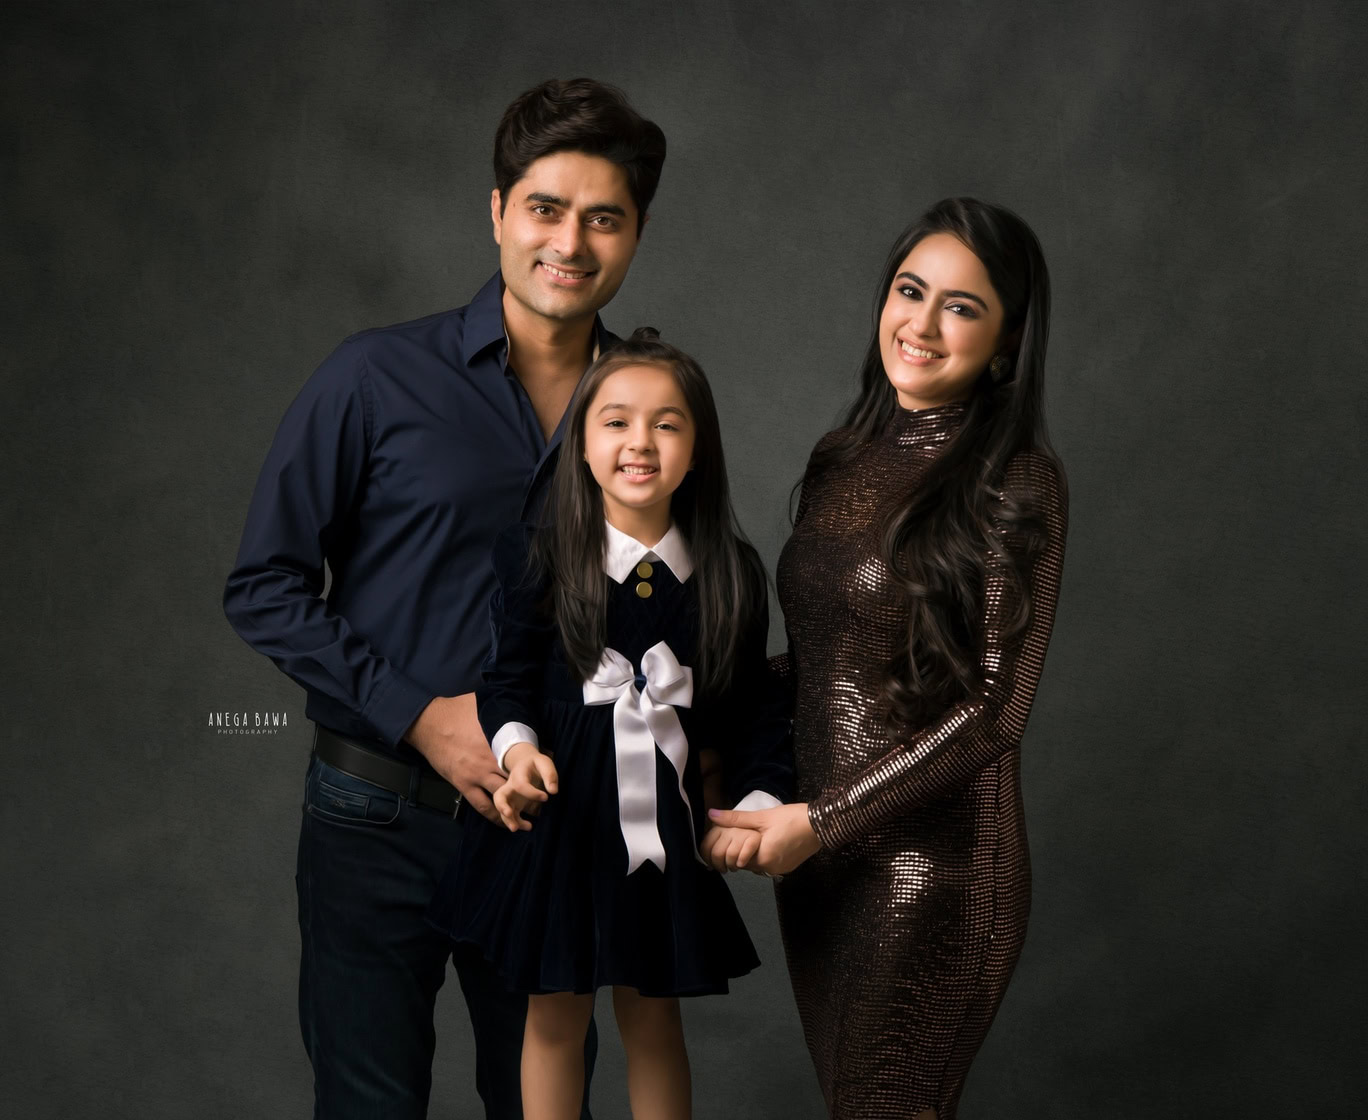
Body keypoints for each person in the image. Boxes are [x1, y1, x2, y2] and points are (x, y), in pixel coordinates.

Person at [222, 79, 665, 1118]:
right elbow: (263, 585)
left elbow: (677, 600)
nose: (570, 240)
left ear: (635, 232)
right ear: (498, 211)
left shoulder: (651, 405)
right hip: (373, 816)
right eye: (545, 208)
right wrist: (423, 716)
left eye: (603, 216)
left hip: (551, 829)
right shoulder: (374, 377)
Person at [704, 197, 1069, 1120]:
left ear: (1008, 339)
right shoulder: (842, 455)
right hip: (818, 858)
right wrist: (697, 719)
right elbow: (827, 661)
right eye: (912, 290)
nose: (923, 322)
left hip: (932, 871)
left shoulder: (1015, 478)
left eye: (962, 305)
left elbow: (996, 709)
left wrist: (825, 818)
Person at [432, 330, 794, 1120]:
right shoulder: (539, 556)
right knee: (555, 1014)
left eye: (668, 424)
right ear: (583, 448)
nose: (641, 442)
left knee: (653, 1014)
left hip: (660, 827)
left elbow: (754, 710)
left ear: (698, 450)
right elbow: (508, 681)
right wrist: (518, 750)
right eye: (617, 421)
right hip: (563, 822)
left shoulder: (727, 570)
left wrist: (760, 802)